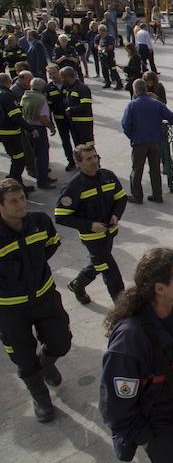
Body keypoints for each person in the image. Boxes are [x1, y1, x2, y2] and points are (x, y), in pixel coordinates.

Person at [100, 248, 173, 463]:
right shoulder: (129, 340)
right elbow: (116, 406)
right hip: (160, 427)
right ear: (160, 288)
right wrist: (148, 440)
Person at [0, 178, 70, 423]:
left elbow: (50, 246)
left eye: (21, 198)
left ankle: (47, 362)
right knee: (22, 356)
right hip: (10, 309)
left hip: (45, 297)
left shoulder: (40, 221)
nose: (21, 204)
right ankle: (41, 398)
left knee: (61, 341)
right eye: (13, 201)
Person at [57, 144, 128, 305]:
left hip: (109, 233)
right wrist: (90, 225)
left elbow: (121, 198)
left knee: (98, 264)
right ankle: (123, 309)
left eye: (95, 157)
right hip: (92, 238)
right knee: (111, 272)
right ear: (78, 163)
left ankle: (77, 285)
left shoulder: (108, 176)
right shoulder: (73, 187)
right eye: (89, 159)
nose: (94, 161)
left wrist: (116, 215)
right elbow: (61, 217)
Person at [122, 79, 173, 205]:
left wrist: (133, 136)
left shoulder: (132, 105)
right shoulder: (156, 103)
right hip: (155, 141)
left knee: (137, 169)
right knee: (155, 169)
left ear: (135, 90)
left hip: (139, 142)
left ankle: (137, 196)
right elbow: (172, 118)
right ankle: (157, 195)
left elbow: (125, 124)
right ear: (146, 89)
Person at [0, 73, 37, 192]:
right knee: (19, 161)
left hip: (4, 134)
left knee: (16, 159)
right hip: (11, 134)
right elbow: (15, 117)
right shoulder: (7, 95)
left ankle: (20, 186)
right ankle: (12, 188)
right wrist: (31, 128)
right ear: (8, 81)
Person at [21, 77, 56, 189]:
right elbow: (43, 118)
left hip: (28, 128)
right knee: (42, 155)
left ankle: (43, 176)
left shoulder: (26, 96)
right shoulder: (41, 99)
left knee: (36, 154)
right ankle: (42, 181)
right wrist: (51, 127)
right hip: (38, 129)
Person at [45, 65, 75, 171]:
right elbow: (48, 107)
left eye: (54, 73)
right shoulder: (48, 88)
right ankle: (71, 160)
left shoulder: (68, 84)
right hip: (60, 119)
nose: (52, 76)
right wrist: (50, 122)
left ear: (59, 72)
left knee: (77, 139)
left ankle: (80, 160)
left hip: (72, 117)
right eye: (50, 74)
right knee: (65, 141)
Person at [61, 66, 95, 148]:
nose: (61, 80)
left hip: (84, 125)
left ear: (68, 77)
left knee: (88, 147)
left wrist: (71, 110)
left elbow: (86, 106)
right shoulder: (70, 88)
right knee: (79, 149)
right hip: (75, 124)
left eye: (62, 77)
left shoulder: (82, 88)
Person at [97, 25, 123, 90]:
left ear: (105, 31)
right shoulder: (100, 38)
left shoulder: (110, 38)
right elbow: (97, 45)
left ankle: (119, 83)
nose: (100, 33)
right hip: (103, 57)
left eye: (101, 31)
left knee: (113, 70)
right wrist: (99, 48)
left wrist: (103, 49)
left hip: (110, 57)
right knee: (104, 70)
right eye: (99, 31)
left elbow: (111, 46)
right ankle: (107, 82)